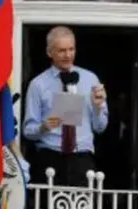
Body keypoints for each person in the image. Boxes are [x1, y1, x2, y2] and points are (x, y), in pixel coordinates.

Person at [22, 26, 108, 186]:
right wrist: (43, 127)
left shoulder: (91, 80)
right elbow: (27, 131)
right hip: (49, 157)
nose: (68, 55)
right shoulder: (38, 84)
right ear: (49, 52)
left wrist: (97, 108)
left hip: (82, 159)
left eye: (71, 49)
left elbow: (100, 128)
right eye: (61, 50)